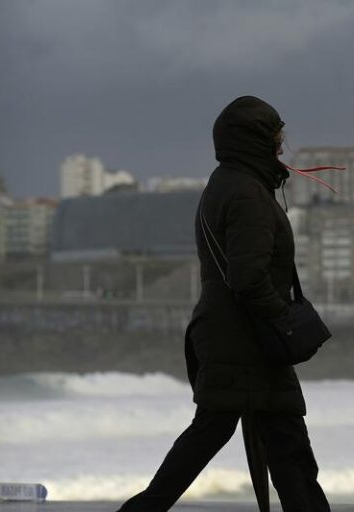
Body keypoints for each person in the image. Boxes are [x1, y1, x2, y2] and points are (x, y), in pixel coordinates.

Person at [116, 96, 330, 512]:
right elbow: (247, 278)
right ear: (255, 140)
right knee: (256, 439)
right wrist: (283, 319)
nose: (281, 149)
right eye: (275, 138)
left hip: (230, 334)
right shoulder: (248, 193)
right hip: (247, 340)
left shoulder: (225, 183)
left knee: (265, 439)